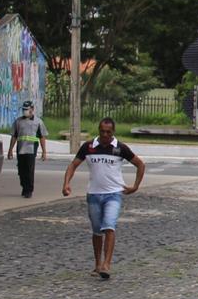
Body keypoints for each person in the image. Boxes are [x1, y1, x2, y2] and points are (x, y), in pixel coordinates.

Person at [62, 118, 146, 280]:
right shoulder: (89, 147)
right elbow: (73, 165)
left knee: (109, 226)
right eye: (102, 131)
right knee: (96, 231)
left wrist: (135, 186)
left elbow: (140, 164)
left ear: (113, 132)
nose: (105, 135)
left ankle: (107, 264)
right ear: (98, 130)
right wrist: (66, 184)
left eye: (109, 132)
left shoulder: (120, 148)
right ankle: (97, 264)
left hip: (114, 194)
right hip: (93, 194)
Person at [7, 99, 48, 198]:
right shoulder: (18, 121)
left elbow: (42, 137)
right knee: (21, 170)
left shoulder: (38, 122)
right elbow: (14, 136)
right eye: (24, 109)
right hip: (20, 148)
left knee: (29, 170)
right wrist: (10, 150)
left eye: (27, 109)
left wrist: (44, 152)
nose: (25, 111)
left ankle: (29, 190)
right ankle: (24, 187)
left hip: (31, 148)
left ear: (32, 109)